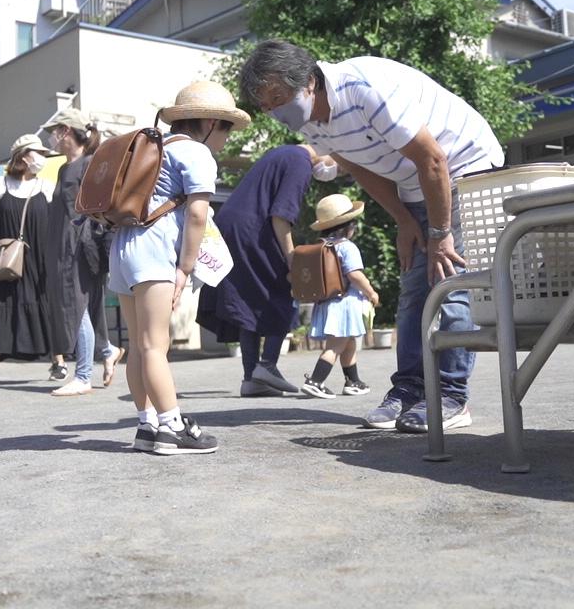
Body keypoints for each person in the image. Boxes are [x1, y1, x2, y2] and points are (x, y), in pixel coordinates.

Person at [239, 39, 504, 434]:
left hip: (465, 170)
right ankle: (410, 389)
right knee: (415, 291)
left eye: (278, 97)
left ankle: (451, 395)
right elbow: (359, 168)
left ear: (309, 81)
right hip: (418, 183)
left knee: (448, 283)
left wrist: (441, 234)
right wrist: (403, 220)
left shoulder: (364, 89)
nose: (274, 110)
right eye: (265, 105)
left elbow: (433, 159)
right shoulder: (313, 121)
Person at [113, 80, 247, 455]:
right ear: (207, 123)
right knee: (156, 346)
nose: (226, 137)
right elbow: (198, 214)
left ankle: (147, 426)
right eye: (225, 128)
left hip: (124, 247)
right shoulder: (196, 154)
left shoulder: (157, 148)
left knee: (138, 346)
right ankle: (172, 427)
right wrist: (185, 269)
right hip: (155, 251)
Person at [195, 143, 323, 397]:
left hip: (230, 226)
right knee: (285, 288)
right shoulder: (301, 161)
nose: (336, 173)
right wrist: (292, 261)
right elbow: (281, 216)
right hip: (251, 230)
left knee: (247, 299)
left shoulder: (281, 153)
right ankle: (267, 365)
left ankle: (251, 378)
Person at [42, 107, 125, 396]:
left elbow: (97, 206)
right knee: (81, 307)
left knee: (77, 308)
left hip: (79, 246)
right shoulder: (66, 167)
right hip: (65, 247)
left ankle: (84, 375)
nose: (52, 136)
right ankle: (107, 349)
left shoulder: (89, 163)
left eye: (55, 130)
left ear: (67, 131)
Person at [0, 135, 61, 386]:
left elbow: (56, 227)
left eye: (43, 153)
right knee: (0, 310)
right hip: (7, 263)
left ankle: (58, 361)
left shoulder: (47, 187)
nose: (41, 158)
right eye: (36, 153)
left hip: (40, 261)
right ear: (22, 156)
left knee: (46, 305)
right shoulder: (0, 185)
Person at [299, 194, 380, 399]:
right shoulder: (347, 247)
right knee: (335, 346)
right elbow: (354, 275)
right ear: (348, 226)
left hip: (327, 302)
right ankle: (316, 381)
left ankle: (353, 381)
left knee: (348, 341)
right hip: (344, 304)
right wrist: (370, 291)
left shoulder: (323, 246)